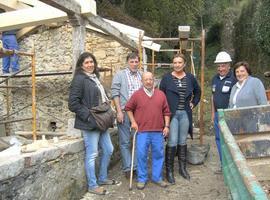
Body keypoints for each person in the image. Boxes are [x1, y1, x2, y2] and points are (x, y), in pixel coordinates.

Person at [68, 52, 118, 195]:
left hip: (101, 120)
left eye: (92, 62)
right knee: (92, 154)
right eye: (86, 63)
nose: (90, 65)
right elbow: (72, 104)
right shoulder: (79, 79)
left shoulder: (95, 78)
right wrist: (89, 117)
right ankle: (92, 185)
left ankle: (102, 178)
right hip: (90, 123)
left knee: (109, 149)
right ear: (81, 65)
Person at [125, 72, 171, 190]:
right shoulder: (137, 95)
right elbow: (128, 109)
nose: (148, 81)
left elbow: (166, 112)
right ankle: (142, 178)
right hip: (142, 131)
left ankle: (157, 177)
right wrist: (133, 122)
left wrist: (166, 126)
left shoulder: (161, 95)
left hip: (157, 131)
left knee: (158, 154)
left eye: (150, 79)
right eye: (146, 79)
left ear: (154, 81)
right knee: (141, 155)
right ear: (142, 81)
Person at [159, 53, 201, 183]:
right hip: (172, 115)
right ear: (173, 64)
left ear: (184, 64)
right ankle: (169, 171)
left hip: (185, 114)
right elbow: (161, 96)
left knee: (182, 141)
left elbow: (198, 91)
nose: (177, 65)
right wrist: (163, 114)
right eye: (175, 62)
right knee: (172, 141)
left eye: (179, 62)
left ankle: (182, 168)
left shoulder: (190, 78)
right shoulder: (166, 78)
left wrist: (193, 102)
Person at [111, 52, 142, 178]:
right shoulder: (120, 75)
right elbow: (115, 93)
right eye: (132, 61)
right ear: (127, 62)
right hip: (124, 112)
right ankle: (127, 168)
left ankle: (135, 166)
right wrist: (118, 111)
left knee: (137, 141)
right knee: (125, 142)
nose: (134, 64)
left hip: (139, 113)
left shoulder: (141, 75)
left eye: (136, 61)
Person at [211, 51, 237, 172]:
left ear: (228, 66)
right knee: (219, 139)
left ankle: (233, 166)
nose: (220, 68)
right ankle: (224, 165)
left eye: (223, 65)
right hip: (217, 114)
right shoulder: (215, 79)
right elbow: (213, 97)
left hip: (229, 115)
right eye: (219, 66)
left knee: (230, 140)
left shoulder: (234, 79)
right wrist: (212, 113)